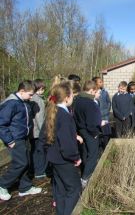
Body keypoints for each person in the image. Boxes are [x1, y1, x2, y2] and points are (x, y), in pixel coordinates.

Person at [0, 80, 42, 201]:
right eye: (30, 94)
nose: (31, 97)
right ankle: (2, 184)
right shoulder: (11, 104)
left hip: (23, 137)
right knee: (21, 163)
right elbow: (1, 124)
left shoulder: (23, 101)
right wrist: (9, 140)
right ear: (22, 91)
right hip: (14, 139)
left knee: (26, 162)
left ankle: (25, 187)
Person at [45, 82, 82, 215]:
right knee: (75, 189)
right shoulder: (65, 116)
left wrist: (74, 136)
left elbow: (54, 136)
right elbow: (66, 144)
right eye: (72, 95)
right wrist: (76, 157)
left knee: (60, 190)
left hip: (54, 158)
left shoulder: (55, 112)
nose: (73, 97)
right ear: (66, 97)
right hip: (64, 160)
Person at [72, 80, 102, 188]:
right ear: (91, 90)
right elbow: (91, 122)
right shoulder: (89, 103)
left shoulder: (77, 100)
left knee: (85, 152)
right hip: (90, 132)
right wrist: (94, 133)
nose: (95, 94)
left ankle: (85, 171)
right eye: (95, 92)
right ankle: (85, 178)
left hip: (81, 130)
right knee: (93, 155)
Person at [29, 79, 47, 179]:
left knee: (34, 151)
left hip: (32, 130)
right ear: (40, 88)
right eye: (43, 88)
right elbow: (39, 118)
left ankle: (33, 169)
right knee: (39, 151)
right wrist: (43, 131)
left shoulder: (32, 98)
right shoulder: (38, 100)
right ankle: (39, 171)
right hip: (37, 131)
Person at [92, 76, 111, 149]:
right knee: (98, 134)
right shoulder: (93, 93)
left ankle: (106, 149)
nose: (102, 83)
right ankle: (98, 149)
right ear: (95, 84)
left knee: (106, 134)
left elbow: (109, 102)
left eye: (102, 81)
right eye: (100, 82)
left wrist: (107, 111)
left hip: (105, 116)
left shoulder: (105, 92)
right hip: (96, 117)